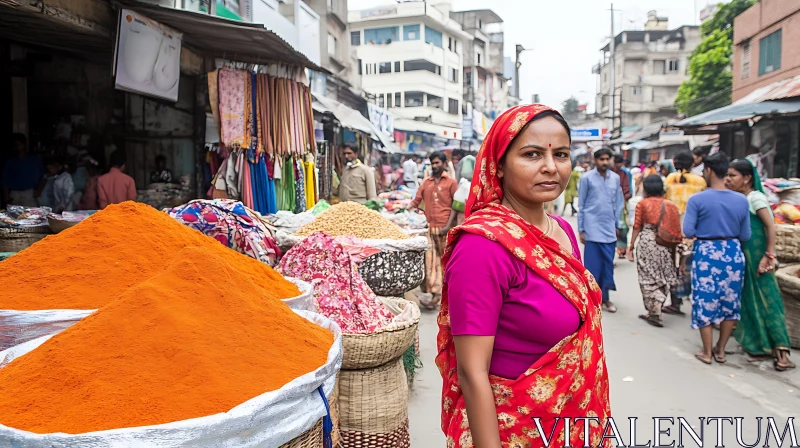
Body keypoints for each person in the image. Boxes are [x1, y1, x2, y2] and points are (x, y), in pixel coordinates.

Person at [438, 105, 610, 447]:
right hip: (515, 432)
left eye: (560, 154)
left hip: (573, 426)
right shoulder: (483, 246)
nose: (550, 167)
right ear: (499, 164)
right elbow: (473, 374)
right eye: (532, 154)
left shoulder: (562, 230)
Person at [726, 159, 795, 371]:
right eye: (727, 175)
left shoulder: (755, 198)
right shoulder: (741, 199)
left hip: (759, 259)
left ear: (746, 178)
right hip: (746, 258)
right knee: (750, 299)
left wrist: (769, 255)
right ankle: (758, 345)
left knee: (769, 300)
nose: (728, 179)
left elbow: (770, 226)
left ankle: (781, 352)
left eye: (733, 175)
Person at [683, 152, 750, 364]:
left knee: (705, 301)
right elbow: (746, 235)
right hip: (733, 252)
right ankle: (721, 349)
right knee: (731, 303)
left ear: (709, 171)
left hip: (707, 253)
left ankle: (707, 351)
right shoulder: (741, 200)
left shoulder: (697, 199)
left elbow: (687, 230)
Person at [627, 175, 681, 327]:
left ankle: (654, 310)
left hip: (647, 242)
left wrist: (631, 246)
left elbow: (637, 226)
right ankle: (657, 306)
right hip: (665, 244)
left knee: (647, 277)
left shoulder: (642, 204)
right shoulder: (670, 205)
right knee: (662, 276)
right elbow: (676, 229)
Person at [409, 151, 458, 309]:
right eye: (433, 163)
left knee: (447, 264)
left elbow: (456, 207)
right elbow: (416, 201)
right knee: (432, 262)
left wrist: (448, 226)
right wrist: (403, 212)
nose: (435, 166)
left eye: (437, 163)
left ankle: (447, 296)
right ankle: (436, 296)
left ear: (444, 164)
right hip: (430, 229)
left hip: (447, 229)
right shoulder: (427, 182)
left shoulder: (451, 183)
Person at [579, 147, 624, 313]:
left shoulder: (616, 178)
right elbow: (581, 205)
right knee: (592, 267)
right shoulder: (586, 179)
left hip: (609, 228)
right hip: (591, 228)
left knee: (607, 266)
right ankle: (591, 300)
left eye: (607, 159)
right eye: (601, 159)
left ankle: (605, 299)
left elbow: (619, 203)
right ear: (595, 160)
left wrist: (618, 224)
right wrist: (581, 228)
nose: (604, 162)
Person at [663, 151, 707, 315]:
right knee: (688, 265)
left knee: (673, 266)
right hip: (692, 228)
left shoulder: (669, 179)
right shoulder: (700, 181)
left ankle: (676, 301)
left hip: (671, 228)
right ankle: (692, 297)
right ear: (692, 164)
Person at [2, 134, 43, 207]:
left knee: (33, 216)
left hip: (28, 194)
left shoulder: (34, 160)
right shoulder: (10, 161)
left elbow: (43, 177)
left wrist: (39, 190)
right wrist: (6, 196)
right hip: (14, 195)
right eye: (14, 145)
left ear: (24, 145)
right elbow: (5, 180)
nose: (16, 147)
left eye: (18, 145)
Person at [613, 154, 633, 257]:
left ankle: (622, 248)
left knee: (623, 227)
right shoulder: (608, 173)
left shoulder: (626, 174)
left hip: (623, 203)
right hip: (610, 204)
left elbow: (629, 191)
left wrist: (622, 200)